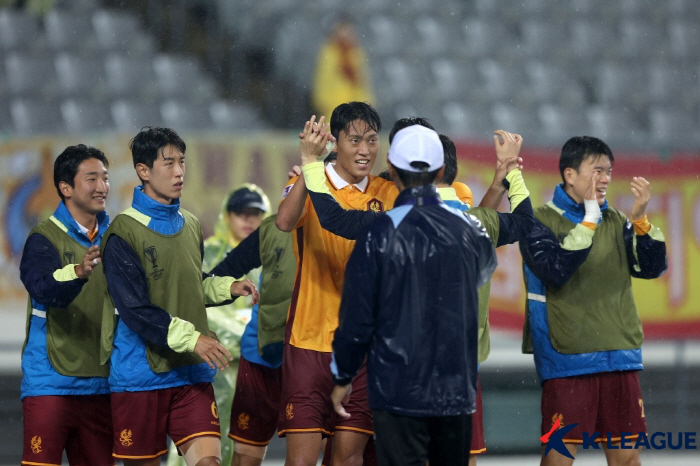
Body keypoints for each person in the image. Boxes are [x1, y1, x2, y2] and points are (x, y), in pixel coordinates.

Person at [297, 120, 531, 465]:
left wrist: (343, 375)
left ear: (390, 167)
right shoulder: (473, 228)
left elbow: (356, 317)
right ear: (440, 170)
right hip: (456, 389)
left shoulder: (378, 231)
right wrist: (511, 171)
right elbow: (524, 224)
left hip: (397, 390)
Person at [101, 126, 259, 466]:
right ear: (143, 171)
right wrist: (195, 339)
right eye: (168, 162)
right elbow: (136, 310)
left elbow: (190, 284)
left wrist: (226, 287)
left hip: (190, 374)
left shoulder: (189, 224)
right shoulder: (122, 233)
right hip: (141, 377)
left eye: (182, 162)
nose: (179, 171)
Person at [518, 136, 667, 466]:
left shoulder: (616, 220)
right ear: (570, 175)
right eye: (597, 170)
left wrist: (641, 221)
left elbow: (653, 268)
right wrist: (588, 217)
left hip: (619, 356)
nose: (605, 178)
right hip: (567, 359)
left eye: (609, 171)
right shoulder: (538, 221)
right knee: (559, 459)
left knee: (627, 460)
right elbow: (556, 271)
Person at [275, 103, 398, 466]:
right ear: (336, 142)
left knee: (347, 459)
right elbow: (284, 222)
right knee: (301, 462)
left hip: (364, 348)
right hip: (308, 342)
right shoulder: (310, 181)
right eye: (355, 140)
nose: (365, 150)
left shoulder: (389, 192)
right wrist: (308, 165)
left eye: (372, 140)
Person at [19, 144, 113, 466]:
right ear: (65, 187)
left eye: (105, 178)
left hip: (102, 382)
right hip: (50, 383)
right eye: (91, 178)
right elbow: (42, 288)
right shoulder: (43, 237)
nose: (102, 187)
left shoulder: (118, 238)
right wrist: (78, 271)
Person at [167, 184, 271, 466]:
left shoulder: (272, 256)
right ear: (227, 215)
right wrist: (241, 331)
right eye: (241, 213)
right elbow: (195, 301)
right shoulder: (208, 253)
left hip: (255, 360)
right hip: (213, 357)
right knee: (205, 433)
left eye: (256, 213)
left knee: (243, 440)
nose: (249, 220)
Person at [204, 213, 295, 466]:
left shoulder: (350, 221)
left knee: (316, 453)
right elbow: (217, 277)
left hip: (314, 355)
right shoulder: (272, 229)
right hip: (261, 353)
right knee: (246, 456)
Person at [311, 15, 375, 121]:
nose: (345, 33)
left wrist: (366, 100)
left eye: (348, 30)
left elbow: (362, 78)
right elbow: (323, 77)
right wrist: (322, 100)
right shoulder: (329, 51)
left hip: (354, 100)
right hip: (333, 101)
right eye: (342, 30)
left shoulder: (356, 51)